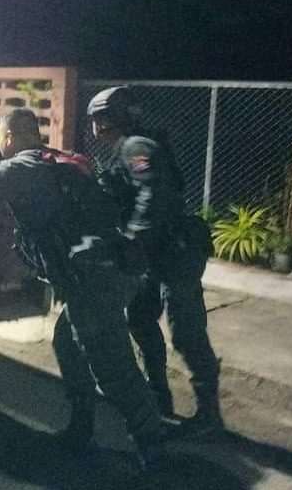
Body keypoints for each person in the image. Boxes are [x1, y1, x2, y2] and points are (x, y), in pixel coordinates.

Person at [0, 108, 167, 468]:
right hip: (113, 267)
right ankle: (82, 428)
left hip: (92, 279)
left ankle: (153, 451)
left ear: (8, 137)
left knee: (113, 368)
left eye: (2, 137)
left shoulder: (18, 167)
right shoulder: (64, 160)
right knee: (67, 343)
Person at [86, 86, 223, 436]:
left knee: (187, 333)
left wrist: (133, 237)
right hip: (157, 253)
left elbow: (152, 192)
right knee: (141, 317)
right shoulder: (127, 147)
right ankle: (158, 395)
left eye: (97, 120)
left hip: (175, 252)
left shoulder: (136, 147)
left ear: (105, 120)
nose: (95, 127)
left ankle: (210, 417)